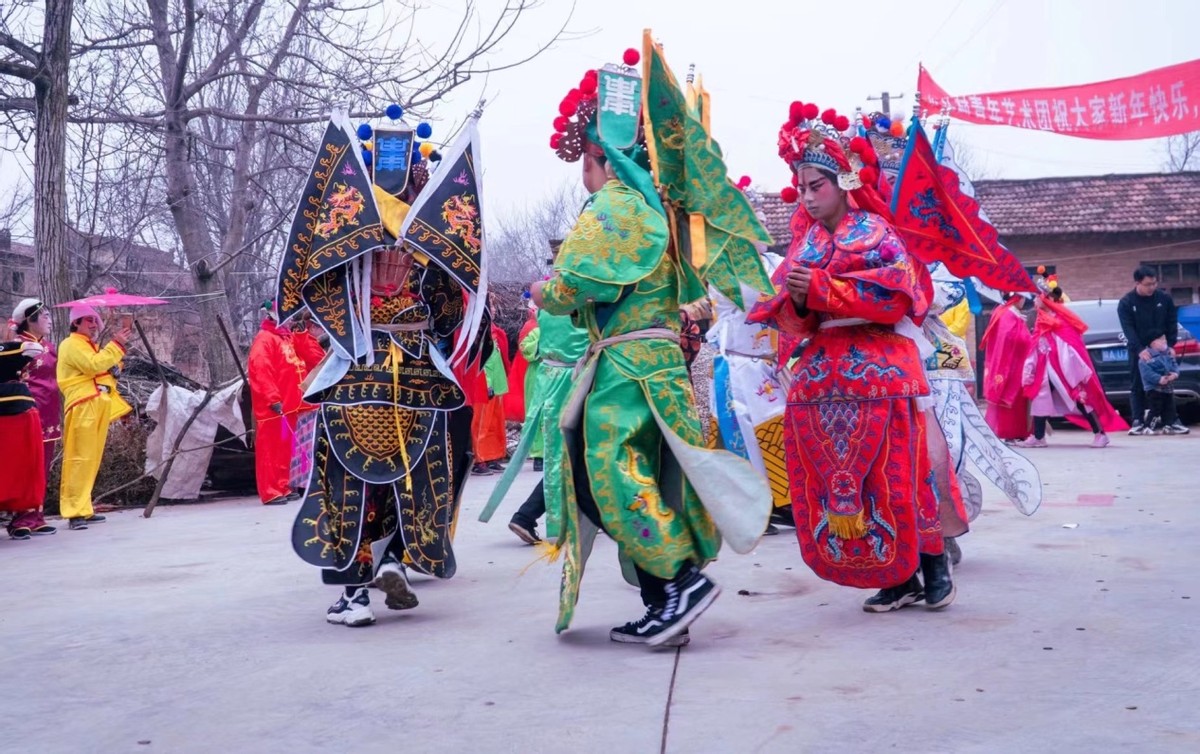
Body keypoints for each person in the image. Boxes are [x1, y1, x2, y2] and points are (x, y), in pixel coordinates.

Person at [529, 49, 772, 649]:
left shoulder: (617, 204)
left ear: (596, 158)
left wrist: (546, 290)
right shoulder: (659, 208)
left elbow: (574, 284)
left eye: (584, 164)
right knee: (652, 477)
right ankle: (666, 600)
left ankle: (680, 581)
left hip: (627, 367)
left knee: (608, 473)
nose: (584, 177)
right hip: (655, 364)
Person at [748, 101, 952, 614]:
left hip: (881, 367)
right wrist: (796, 299)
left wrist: (819, 289)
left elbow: (894, 299)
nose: (810, 197)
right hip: (825, 374)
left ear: (844, 180)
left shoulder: (876, 234)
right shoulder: (808, 242)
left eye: (818, 185)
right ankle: (895, 575)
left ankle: (930, 567)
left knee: (900, 475)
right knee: (855, 484)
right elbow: (792, 319)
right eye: (804, 186)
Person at [280, 116, 482, 628]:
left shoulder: (351, 239)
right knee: (408, 477)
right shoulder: (430, 240)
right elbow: (449, 314)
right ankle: (394, 558)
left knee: (347, 482)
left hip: (357, 369)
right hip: (416, 373)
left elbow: (316, 293)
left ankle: (355, 593)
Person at [1016, 288, 1125, 448]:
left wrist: (1071, 369)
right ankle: (1038, 436)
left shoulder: (1061, 320)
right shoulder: (1041, 319)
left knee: (1080, 398)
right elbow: (1038, 344)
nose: (1035, 301)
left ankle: (1100, 434)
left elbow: (1070, 346)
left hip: (1065, 367)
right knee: (1040, 395)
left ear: (1048, 300)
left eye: (1038, 298)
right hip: (1047, 367)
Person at [56, 305, 132, 530]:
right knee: (79, 458)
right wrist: (116, 345)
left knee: (91, 459)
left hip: (96, 402)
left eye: (94, 320)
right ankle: (74, 512)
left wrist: (115, 364)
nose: (93, 324)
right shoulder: (70, 344)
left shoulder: (89, 345)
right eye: (87, 319)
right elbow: (92, 365)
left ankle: (84, 507)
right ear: (76, 323)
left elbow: (101, 366)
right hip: (83, 404)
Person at [246, 302, 311, 505]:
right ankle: (270, 491)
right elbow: (261, 371)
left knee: (285, 449)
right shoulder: (264, 340)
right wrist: (272, 398)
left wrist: (301, 335)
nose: (291, 319)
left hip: (290, 405)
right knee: (270, 450)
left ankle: (283, 485)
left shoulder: (286, 337)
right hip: (273, 407)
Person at [11, 299, 62, 533]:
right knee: (26, 465)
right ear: (30, 320)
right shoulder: (18, 346)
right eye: (45, 317)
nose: (49, 321)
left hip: (50, 411)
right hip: (28, 412)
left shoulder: (49, 346)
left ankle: (37, 515)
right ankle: (21, 518)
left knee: (44, 465)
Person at [1119, 265, 1184, 434]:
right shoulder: (1126, 302)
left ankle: (1172, 421)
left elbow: (1171, 323)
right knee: (1137, 384)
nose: (1152, 287)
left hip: (1162, 350)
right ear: (1137, 283)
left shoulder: (1164, 299)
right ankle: (1138, 421)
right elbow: (1128, 329)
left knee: (1167, 384)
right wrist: (1140, 349)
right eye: (1148, 284)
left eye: (1154, 283)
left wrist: (1170, 345)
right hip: (1139, 350)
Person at [1, 338, 54, 539]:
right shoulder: (12, 346)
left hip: (23, 410)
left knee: (24, 469)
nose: (48, 320)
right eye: (42, 316)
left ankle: (30, 516)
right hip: (10, 411)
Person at [980, 294, 1035, 441]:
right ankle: (1008, 432)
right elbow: (1008, 338)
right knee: (1008, 397)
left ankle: (1018, 432)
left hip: (1017, 364)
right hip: (1009, 365)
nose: (1024, 302)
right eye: (1023, 298)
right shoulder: (1006, 313)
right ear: (1017, 298)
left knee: (1018, 400)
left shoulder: (1010, 312)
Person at [470, 320, 510, 475]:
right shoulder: (477, 334)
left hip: (497, 383)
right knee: (481, 424)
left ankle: (492, 456)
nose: (492, 310)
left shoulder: (494, 332)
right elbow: (479, 362)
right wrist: (487, 383)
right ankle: (478, 459)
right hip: (484, 385)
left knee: (495, 423)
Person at [1139, 332, 1186, 434]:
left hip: (1168, 387)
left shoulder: (1168, 354)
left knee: (1169, 408)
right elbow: (1146, 372)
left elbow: (1174, 366)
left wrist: (1174, 374)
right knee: (1156, 408)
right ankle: (1148, 427)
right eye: (1161, 340)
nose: (1164, 342)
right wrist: (1158, 379)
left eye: (1165, 339)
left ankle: (1168, 426)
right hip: (1154, 388)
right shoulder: (1147, 356)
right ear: (1153, 343)